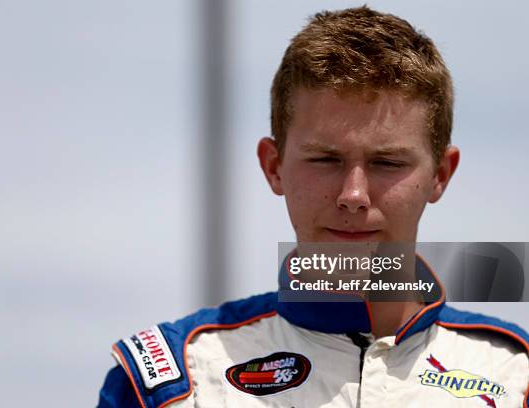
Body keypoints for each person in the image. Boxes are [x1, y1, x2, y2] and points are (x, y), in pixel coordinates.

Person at [97, 6, 528, 407]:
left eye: (387, 163)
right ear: (274, 167)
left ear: (440, 175)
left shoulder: (516, 375)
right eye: (325, 160)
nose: (353, 195)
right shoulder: (170, 381)